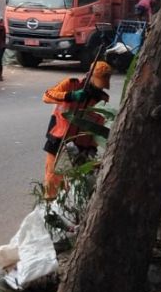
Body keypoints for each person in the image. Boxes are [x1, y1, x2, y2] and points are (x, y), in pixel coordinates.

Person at [41, 61, 112, 199]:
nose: (99, 88)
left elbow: (98, 124)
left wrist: (92, 147)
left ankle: (67, 210)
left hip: (81, 146)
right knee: (53, 179)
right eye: (98, 83)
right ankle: (49, 208)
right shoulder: (71, 84)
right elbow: (47, 96)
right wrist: (70, 96)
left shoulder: (102, 99)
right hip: (59, 138)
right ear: (89, 76)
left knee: (74, 184)